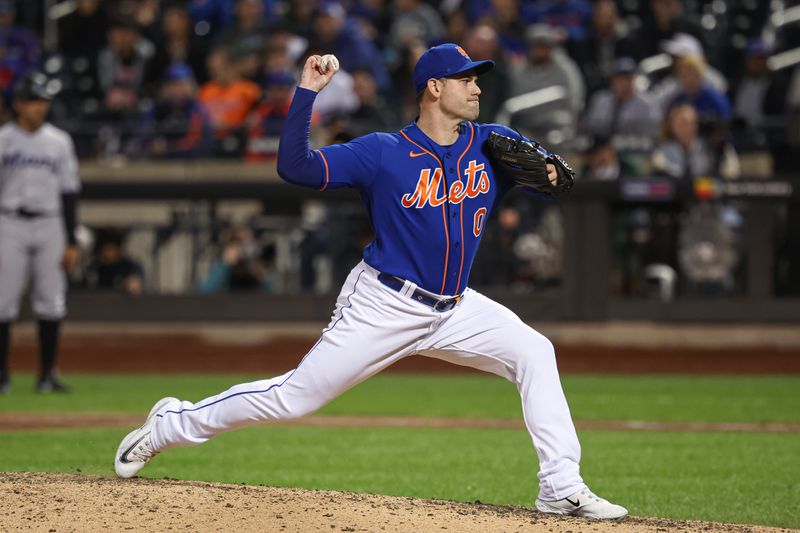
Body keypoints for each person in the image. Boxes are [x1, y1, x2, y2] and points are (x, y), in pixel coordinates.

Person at [114, 43, 628, 520]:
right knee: (294, 398)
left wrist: (555, 175)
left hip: (456, 308)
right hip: (384, 305)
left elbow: (557, 179)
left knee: (534, 352)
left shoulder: (491, 142)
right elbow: (295, 168)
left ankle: (559, 486)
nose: (475, 88)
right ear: (433, 88)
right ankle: (170, 424)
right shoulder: (383, 151)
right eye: (464, 79)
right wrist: (307, 93)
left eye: (477, 80)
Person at [0, 72, 81, 394]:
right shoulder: (3, 139)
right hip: (9, 220)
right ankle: (2, 376)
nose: (39, 107)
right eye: (34, 101)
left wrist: (72, 239)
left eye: (44, 101)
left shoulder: (59, 141)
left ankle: (47, 375)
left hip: (50, 222)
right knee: (2, 300)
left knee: (51, 300)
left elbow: (70, 191)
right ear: (19, 104)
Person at [82, 227, 144, 295]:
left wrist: (131, 284)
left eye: (110, 249)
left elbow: (136, 282)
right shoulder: (95, 268)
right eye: (103, 250)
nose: (107, 254)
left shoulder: (130, 267)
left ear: (118, 249)